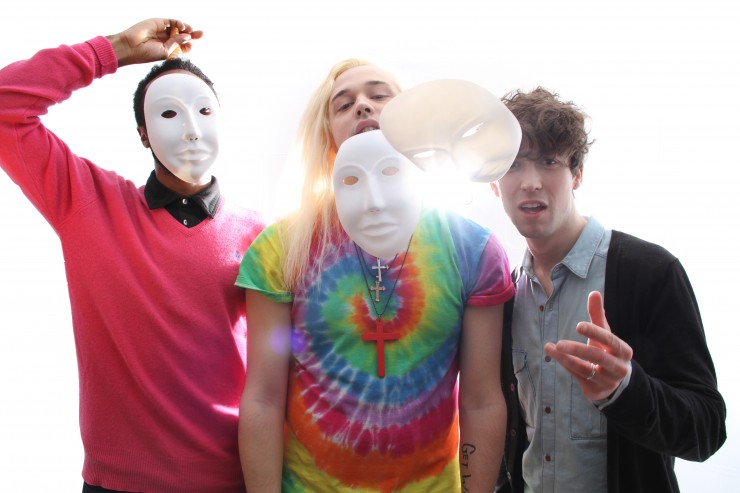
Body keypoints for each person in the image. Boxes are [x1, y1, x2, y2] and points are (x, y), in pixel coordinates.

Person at [0, 18, 264, 492]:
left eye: (205, 111)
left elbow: (286, 372)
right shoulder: (86, 202)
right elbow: (5, 104)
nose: (191, 129)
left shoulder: (261, 236)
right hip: (115, 484)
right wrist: (116, 49)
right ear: (142, 133)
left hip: (230, 480)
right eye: (169, 114)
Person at [235, 59, 514, 492]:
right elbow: (263, 399)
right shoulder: (281, 249)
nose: (363, 106)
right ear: (328, 136)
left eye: (379, 95)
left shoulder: (472, 249)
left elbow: (481, 401)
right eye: (343, 104)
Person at [490, 87, 727, 492]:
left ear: (577, 174)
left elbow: (707, 430)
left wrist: (625, 389)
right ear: (493, 183)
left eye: (549, 161)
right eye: (513, 164)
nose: (530, 182)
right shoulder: (507, 297)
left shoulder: (650, 272)